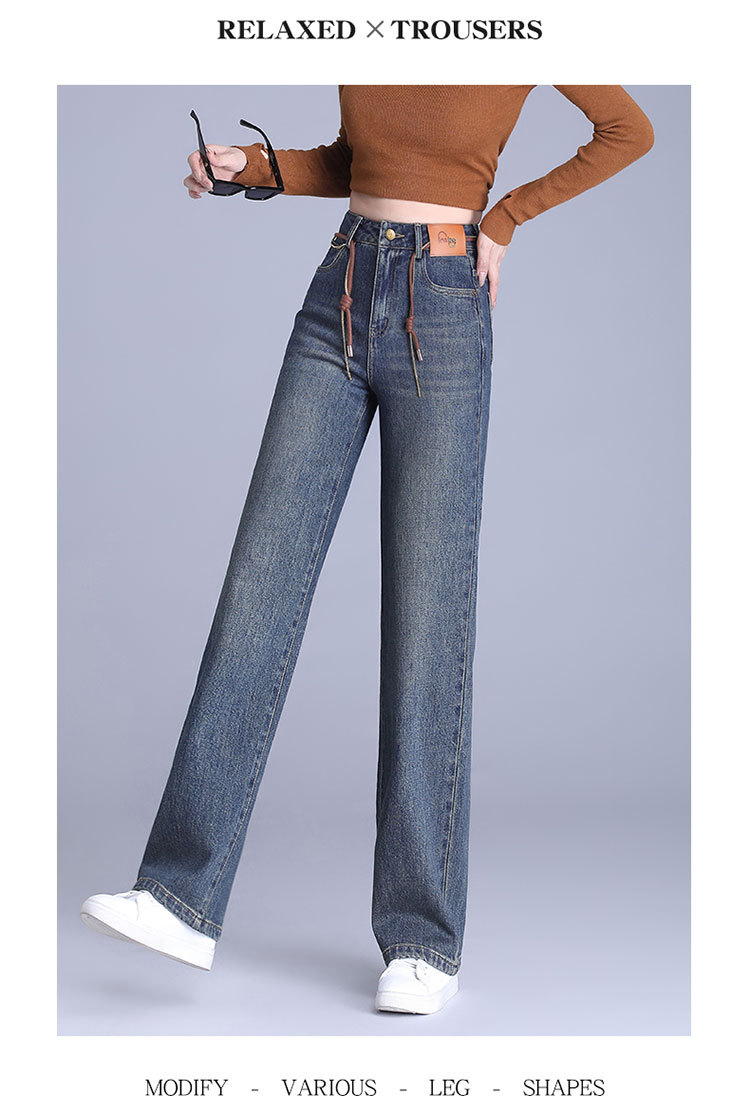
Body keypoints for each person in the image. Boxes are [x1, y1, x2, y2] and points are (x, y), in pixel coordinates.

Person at [80, 85, 654, 1016]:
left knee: (427, 618)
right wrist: (256, 168)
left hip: (445, 299)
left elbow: (629, 128)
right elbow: (360, 161)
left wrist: (507, 216)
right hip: (342, 283)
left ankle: (422, 938)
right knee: (257, 588)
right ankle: (178, 897)